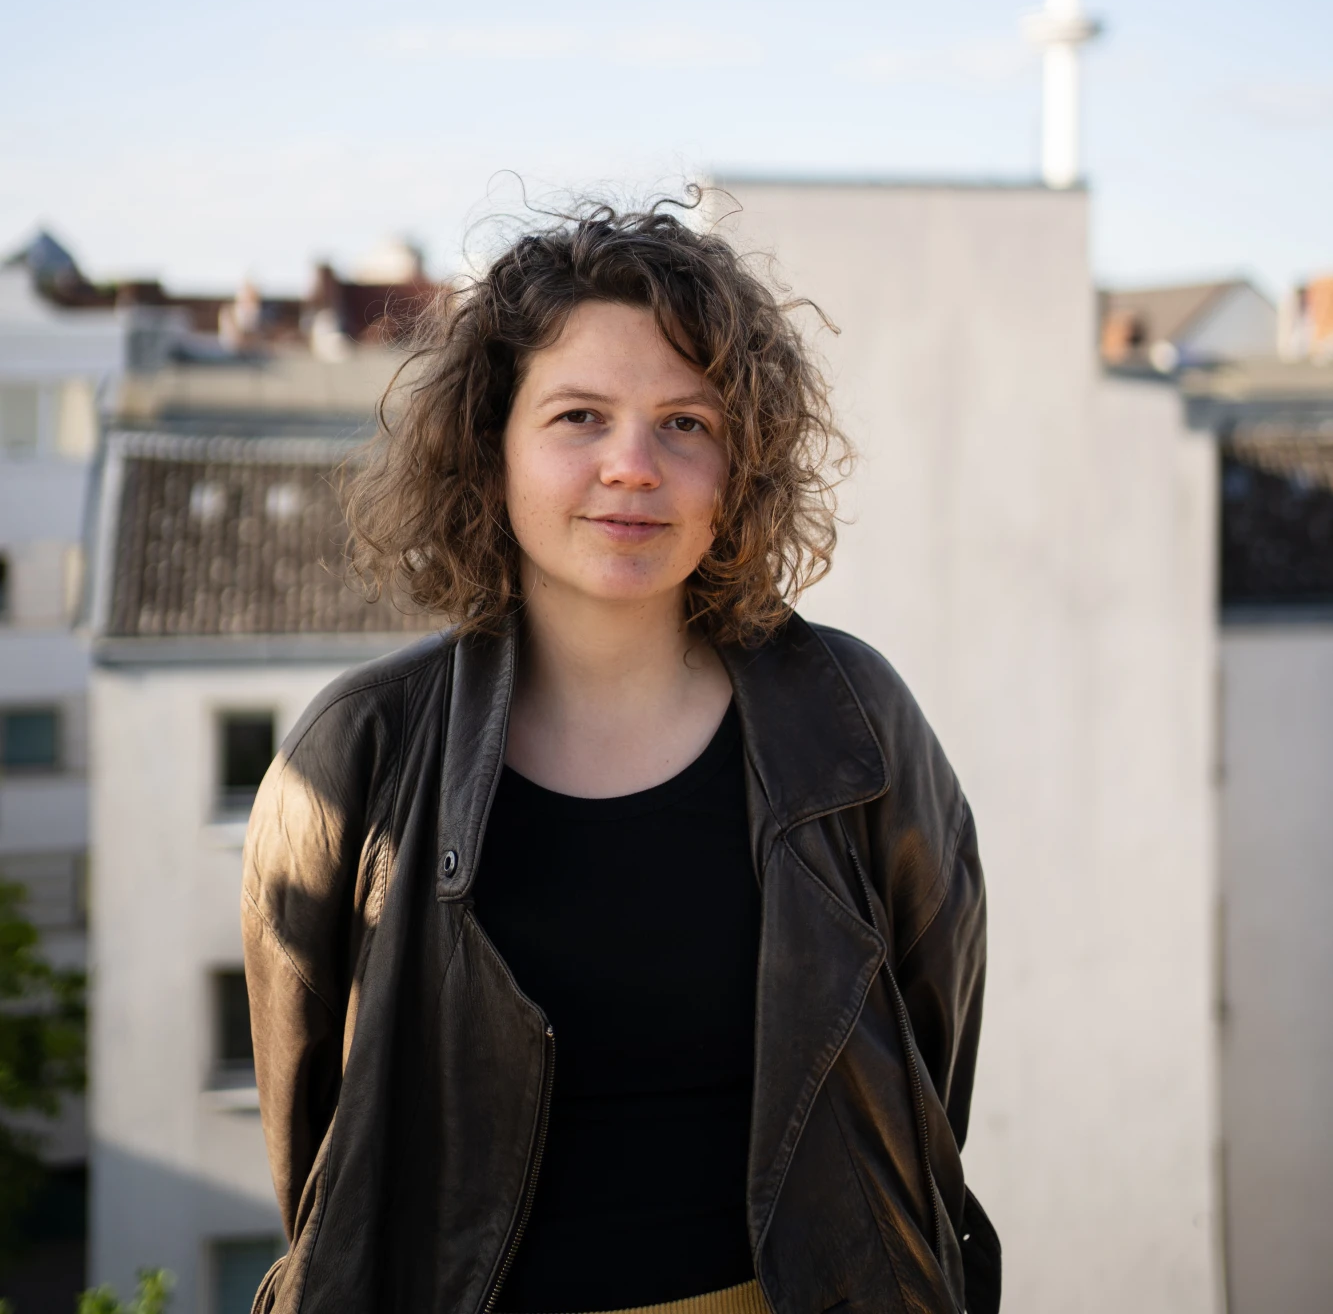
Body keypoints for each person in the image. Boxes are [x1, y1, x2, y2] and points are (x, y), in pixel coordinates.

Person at [241, 201, 1000, 1314]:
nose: (632, 465)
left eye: (685, 422)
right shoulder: (359, 751)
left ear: (738, 462)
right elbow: (324, 1160)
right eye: (579, 415)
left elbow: (924, 1078)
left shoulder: (854, 722)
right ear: (488, 446)